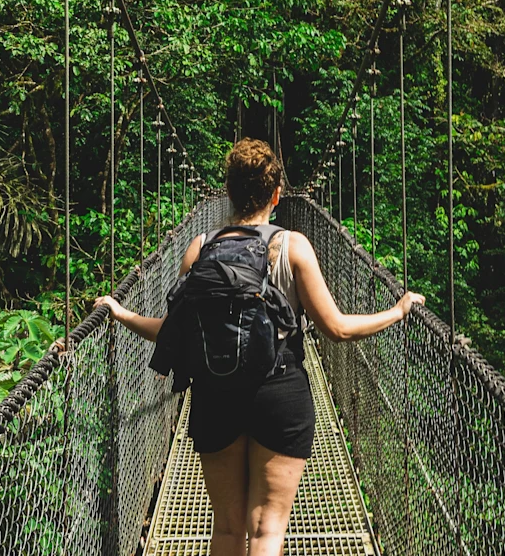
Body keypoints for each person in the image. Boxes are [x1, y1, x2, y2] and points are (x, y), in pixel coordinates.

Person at [94, 138, 425, 556]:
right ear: (276, 195)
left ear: (228, 192)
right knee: (267, 528)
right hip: (280, 390)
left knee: (228, 530)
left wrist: (120, 312)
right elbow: (337, 330)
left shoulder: (200, 249)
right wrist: (397, 311)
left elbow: (173, 332)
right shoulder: (292, 247)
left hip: (214, 394)